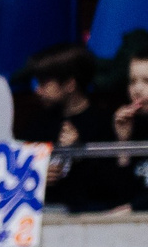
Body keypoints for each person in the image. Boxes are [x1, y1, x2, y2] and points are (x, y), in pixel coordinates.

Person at [27, 42, 130, 215]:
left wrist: (80, 151)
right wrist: (38, 173)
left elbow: (114, 188)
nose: (38, 90)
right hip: (47, 219)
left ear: (69, 84)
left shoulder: (105, 123)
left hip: (93, 220)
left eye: (44, 82)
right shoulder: (37, 126)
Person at [112, 53, 148, 212]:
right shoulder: (130, 125)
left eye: (147, 81)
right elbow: (119, 195)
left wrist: (134, 208)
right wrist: (123, 142)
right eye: (132, 81)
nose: (137, 90)